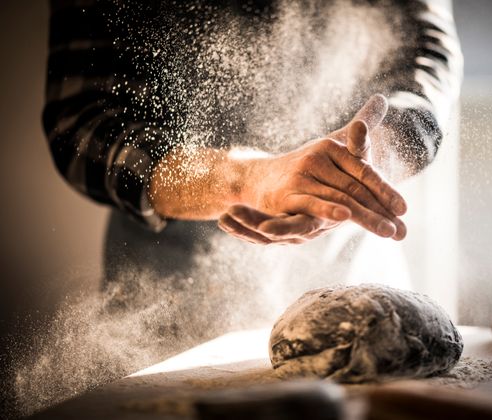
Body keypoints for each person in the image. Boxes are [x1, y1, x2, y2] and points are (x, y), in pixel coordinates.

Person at [43, 0, 462, 328]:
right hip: (167, 287)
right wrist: (246, 180)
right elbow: (80, 123)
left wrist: (366, 159)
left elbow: (425, 56)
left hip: (350, 259)